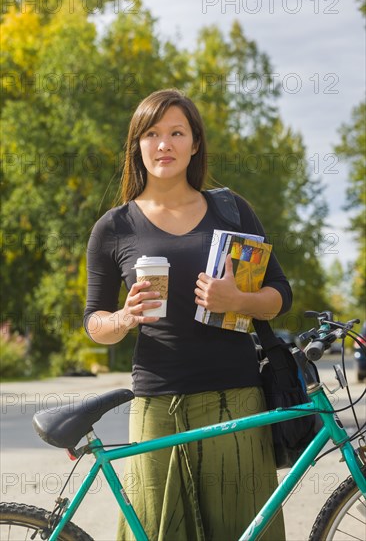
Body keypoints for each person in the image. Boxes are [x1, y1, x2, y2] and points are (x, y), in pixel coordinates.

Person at [84, 89, 292, 541]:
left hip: (236, 399)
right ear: (137, 145)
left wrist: (239, 300)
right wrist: (122, 318)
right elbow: (93, 323)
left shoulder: (231, 209)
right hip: (157, 403)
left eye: (177, 132)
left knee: (245, 531)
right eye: (152, 134)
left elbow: (280, 294)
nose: (164, 145)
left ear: (194, 143)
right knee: (158, 531)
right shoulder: (113, 227)